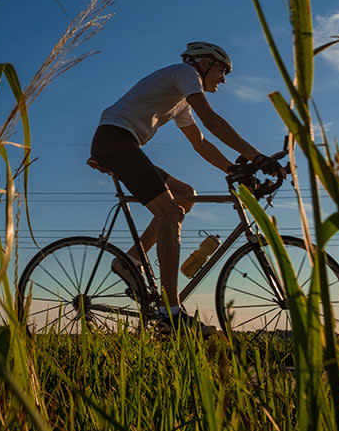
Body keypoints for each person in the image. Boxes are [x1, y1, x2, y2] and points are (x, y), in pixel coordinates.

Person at [88, 41, 282, 328]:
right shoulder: (185, 73)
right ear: (204, 63)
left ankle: (130, 260)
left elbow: (200, 143)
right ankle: (171, 313)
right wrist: (257, 157)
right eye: (222, 70)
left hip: (121, 143)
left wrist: (233, 168)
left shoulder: (181, 99)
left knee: (185, 196)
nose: (224, 78)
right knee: (171, 213)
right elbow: (212, 121)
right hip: (116, 142)